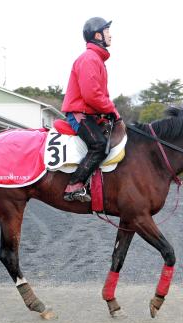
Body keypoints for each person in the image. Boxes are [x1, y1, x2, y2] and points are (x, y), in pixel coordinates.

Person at [61, 17, 120, 202]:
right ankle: (74, 186)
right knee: (99, 145)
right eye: (107, 30)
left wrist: (110, 112)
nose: (110, 34)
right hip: (79, 115)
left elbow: (100, 96)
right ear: (97, 35)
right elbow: (92, 95)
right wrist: (114, 112)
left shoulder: (97, 59)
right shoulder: (89, 59)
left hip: (89, 114)